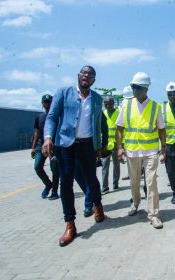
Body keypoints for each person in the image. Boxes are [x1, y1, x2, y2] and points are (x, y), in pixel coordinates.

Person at [43, 65, 106, 247]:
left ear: (94, 80)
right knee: (66, 184)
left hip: (87, 146)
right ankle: (70, 224)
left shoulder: (97, 99)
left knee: (92, 180)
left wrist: (98, 147)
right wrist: (48, 138)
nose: (86, 76)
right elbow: (52, 117)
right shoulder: (64, 92)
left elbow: (97, 123)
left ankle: (98, 205)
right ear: (79, 76)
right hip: (66, 146)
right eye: (84, 73)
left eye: (90, 74)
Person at [116, 71, 166, 229]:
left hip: (151, 151)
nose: (134, 90)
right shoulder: (126, 105)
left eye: (137, 87)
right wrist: (120, 147)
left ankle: (153, 214)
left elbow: (161, 129)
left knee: (151, 182)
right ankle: (135, 203)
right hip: (132, 151)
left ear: (146, 89)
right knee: (134, 182)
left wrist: (163, 149)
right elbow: (119, 128)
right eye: (133, 87)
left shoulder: (155, 107)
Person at [31, 94, 60, 200]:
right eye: (45, 102)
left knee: (54, 168)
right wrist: (33, 147)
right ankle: (48, 184)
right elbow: (36, 132)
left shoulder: (57, 116)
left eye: (49, 101)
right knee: (37, 167)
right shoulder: (39, 117)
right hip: (40, 145)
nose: (47, 103)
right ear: (42, 103)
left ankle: (54, 191)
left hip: (54, 145)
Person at [101, 95, 120, 194]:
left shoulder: (119, 113)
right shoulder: (103, 114)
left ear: (113, 103)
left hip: (116, 143)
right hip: (106, 144)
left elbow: (121, 130)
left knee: (116, 164)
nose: (107, 105)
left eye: (109, 103)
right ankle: (105, 187)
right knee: (105, 165)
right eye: (105, 104)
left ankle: (115, 183)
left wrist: (122, 144)